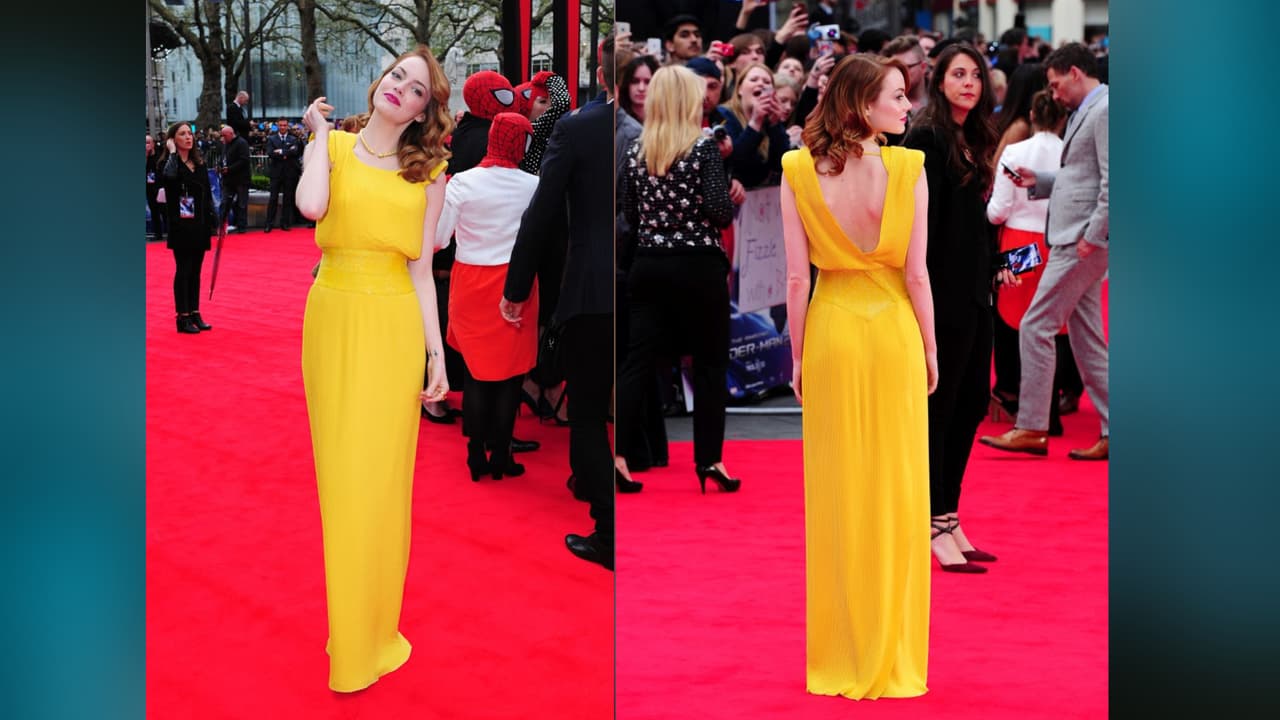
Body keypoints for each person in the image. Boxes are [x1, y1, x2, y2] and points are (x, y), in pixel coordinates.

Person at [294, 45, 453, 692]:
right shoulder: (331, 150)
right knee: (342, 485)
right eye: (396, 77)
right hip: (332, 322)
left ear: (423, 110)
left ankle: (371, 633)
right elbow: (310, 208)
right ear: (379, 84)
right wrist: (317, 137)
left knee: (382, 484)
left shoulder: (431, 173)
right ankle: (352, 634)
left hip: (392, 329)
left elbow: (421, 275)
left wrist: (436, 356)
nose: (401, 90)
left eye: (416, 88)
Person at [780, 53, 933, 700]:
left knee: (839, 493)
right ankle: (890, 650)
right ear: (861, 105)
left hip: (833, 333)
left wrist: (796, 356)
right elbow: (918, 275)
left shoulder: (795, 171)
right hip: (893, 332)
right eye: (897, 97)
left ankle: (841, 650)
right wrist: (930, 348)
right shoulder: (907, 170)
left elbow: (794, 279)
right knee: (896, 491)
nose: (907, 107)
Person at [502, 44, 616, 571]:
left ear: (600, 73)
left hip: (592, 288)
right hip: (636, 285)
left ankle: (607, 531)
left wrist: (516, 288)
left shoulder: (576, 128)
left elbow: (541, 213)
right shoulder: (655, 128)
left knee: (589, 413)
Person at [903, 42, 1013, 573]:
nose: (969, 83)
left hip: (975, 292)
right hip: (939, 294)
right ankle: (930, 521)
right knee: (940, 409)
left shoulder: (974, 137)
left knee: (971, 404)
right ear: (938, 80)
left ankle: (948, 516)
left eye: (975, 75)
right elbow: (918, 230)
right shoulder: (925, 138)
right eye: (958, 74)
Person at [980, 42, 1110, 460]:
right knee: (1087, 340)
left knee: (1035, 325)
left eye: (1055, 85)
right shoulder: (1089, 110)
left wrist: (1094, 233)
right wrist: (1040, 182)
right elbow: (1082, 176)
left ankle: (1032, 426)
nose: (1052, 94)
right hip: (1069, 237)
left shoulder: (1103, 110)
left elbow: (1112, 181)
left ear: (1075, 72)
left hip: (1076, 240)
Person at [616, 65, 739, 495]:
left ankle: (620, 456)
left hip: (649, 264)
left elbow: (629, 215)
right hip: (699, 265)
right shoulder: (704, 147)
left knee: (638, 361)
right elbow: (722, 211)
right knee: (708, 365)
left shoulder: (636, 149)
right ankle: (710, 460)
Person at [435, 112, 540, 481]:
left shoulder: (461, 182)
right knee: (510, 375)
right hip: (516, 283)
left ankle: (475, 453)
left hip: (470, 281)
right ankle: (502, 455)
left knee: (476, 371)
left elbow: (439, 238)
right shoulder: (533, 184)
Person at [161, 122, 217, 334]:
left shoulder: (199, 163)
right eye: (182, 134)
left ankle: (194, 311)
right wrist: (173, 153)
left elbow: (207, 194)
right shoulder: (169, 163)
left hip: (199, 224)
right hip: (181, 225)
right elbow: (170, 178)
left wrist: (214, 217)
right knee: (183, 270)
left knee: (196, 271)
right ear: (173, 139)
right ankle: (182, 316)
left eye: (189, 134)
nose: (188, 137)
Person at [264, 118, 303, 232]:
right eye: (280, 125)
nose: (282, 127)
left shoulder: (294, 139)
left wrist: (281, 152)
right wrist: (287, 152)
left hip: (289, 173)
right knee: (273, 199)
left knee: (288, 199)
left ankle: (285, 223)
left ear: (287, 126)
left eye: (284, 125)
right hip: (276, 173)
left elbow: (295, 152)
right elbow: (270, 153)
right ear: (277, 126)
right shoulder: (271, 139)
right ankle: (269, 223)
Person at [217, 125, 250, 233]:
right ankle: (222, 225)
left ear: (231, 134)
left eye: (224, 136)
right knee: (225, 203)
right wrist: (219, 166)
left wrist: (229, 169)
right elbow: (223, 158)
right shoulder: (226, 144)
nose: (223, 138)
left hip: (240, 179)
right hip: (228, 179)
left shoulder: (241, 143)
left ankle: (242, 226)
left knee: (241, 204)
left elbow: (244, 160)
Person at [146, 133, 167, 243]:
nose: (146, 145)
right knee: (154, 212)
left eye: (148, 142)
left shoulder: (159, 156)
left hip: (159, 188)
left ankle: (169, 233)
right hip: (149, 188)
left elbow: (162, 171)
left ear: (153, 144)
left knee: (164, 211)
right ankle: (157, 233)